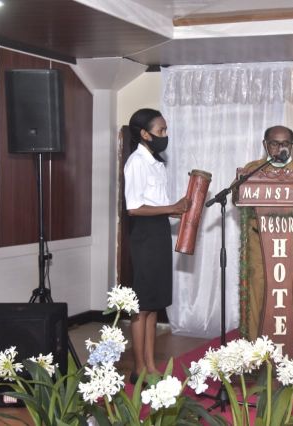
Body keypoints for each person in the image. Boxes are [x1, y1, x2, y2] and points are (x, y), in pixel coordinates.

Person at [123, 108, 189, 381]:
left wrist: (176, 210)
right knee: (141, 307)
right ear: (144, 133)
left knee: (153, 306)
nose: (165, 135)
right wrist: (171, 206)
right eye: (161, 131)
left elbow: (157, 204)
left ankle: (150, 366)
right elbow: (134, 208)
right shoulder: (136, 161)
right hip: (145, 236)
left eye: (165, 130)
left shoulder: (156, 161)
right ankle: (138, 368)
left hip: (159, 233)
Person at [238, 125, 293, 342]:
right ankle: (256, 352)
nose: (280, 148)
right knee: (259, 296)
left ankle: (290, 349)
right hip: (259, 244)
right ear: (265, 145)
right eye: (274, 143)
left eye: (285, 143)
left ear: (292, 146)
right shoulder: (252, 170)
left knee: (291, 295)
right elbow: (237, 197)